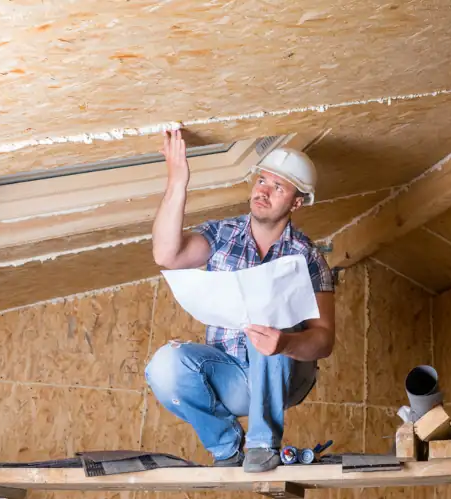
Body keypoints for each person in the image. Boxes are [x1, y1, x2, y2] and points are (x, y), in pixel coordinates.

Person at [144, 129, 335, 473]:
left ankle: (264, 445)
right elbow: (166, 254)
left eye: (278, 187)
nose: (263, 191)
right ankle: (227, 448)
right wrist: (178, 181)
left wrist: (286, 343)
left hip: (285, 376)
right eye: (262, 180)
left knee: (270, 309)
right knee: (165, 364)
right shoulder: (222, 235)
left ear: (296, 202)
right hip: (229, 374)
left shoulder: (307, 258)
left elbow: (324, 339)